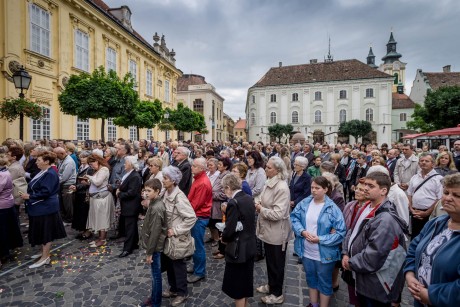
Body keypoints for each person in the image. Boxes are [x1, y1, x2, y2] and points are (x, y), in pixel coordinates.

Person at [342, 172, 408, 306]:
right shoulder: (366, 206)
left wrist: (351, 263)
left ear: (383, 190)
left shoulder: (385, 219)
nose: (365, 188)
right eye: (365, 184)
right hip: (360, 277)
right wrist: (345, 253)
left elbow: (375, 255)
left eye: (371, 186)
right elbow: (352, 231)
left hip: (374, 283)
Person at [404, 172, 460, 307]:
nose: (448, 198)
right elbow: (413, 248)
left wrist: (431, 295)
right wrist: (410, 274)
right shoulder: (436, 223)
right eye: (446, 193)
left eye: (457, 195)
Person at [291, 176, 346, 307]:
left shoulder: (332, 208)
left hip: (324, 254)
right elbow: (294, 217)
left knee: (325, 281)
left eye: (317, 188)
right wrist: (302, 231)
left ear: (326, 189)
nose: (314, 190)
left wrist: (320, 239)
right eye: (312, 187)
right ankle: (313, 303)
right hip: (306, 250)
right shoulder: (305, 202)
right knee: (310, 278)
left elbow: (340, 232)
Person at [255, 156, 292, 304]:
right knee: (270, 262)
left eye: (269, 167)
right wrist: (259, 202)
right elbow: (263, 197)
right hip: (269, 230)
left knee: (276, 264)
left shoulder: (282, 187)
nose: (265, 169)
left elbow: (278, 214)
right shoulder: (270, 181)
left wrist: (260, 208)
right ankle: (271, 285)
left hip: (277, 232)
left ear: (277, 170)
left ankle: (277, 294)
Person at [20, 151, 67, 269]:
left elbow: (46, 191)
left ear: (46, 161)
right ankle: (43, 253)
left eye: (39, 160)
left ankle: (45, 256)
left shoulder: (50, 173)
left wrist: (29, 196)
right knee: (41, 231)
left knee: (46, 232)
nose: (36, 162)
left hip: (45, 208)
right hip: (40, 207)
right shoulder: (44, 171)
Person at [161, 166, 196, 307]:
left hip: (177, 239)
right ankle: (173, 288)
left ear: (174, 181)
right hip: (167, 238)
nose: (163, 180)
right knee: (169, 264)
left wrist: (175, 230)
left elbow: (191, 218)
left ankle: (182, 292)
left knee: (178, 266)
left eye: (166, 178)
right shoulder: (165, 192)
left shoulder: (179, 197)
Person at [221, 173, 256, 307]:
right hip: (250, 245)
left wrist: (224, 238)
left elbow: (229, 229)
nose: (225, 192)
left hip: (238, 249)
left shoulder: (233, 202)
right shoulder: (248, 197)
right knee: (246, 283)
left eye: (225, 189)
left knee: (238, 287)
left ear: (229, 187)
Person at [138, 178, 167, 307]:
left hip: (155, 247)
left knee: (156, 276)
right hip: (154, 246)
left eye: (149, 191)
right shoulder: (154, 203)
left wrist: (149, 253)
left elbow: (155, 233)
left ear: (157, 191)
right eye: (145, 190)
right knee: (155, 275)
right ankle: (154, 298)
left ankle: (156, 303)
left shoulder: (156, 207)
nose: (146, 193)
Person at [186, 157, 212, 283]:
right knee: (195, 245)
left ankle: (200, 272)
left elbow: (195, 204)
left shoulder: (202, 182)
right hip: (196, 216)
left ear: (202, 168)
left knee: (198, 246)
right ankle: (197, 267)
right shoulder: (198, 179)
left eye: (194, 166)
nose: (192, 167)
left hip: (199, 217)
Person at [342, 179, 367, 307]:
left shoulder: (369, 210)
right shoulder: (350, 205)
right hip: (348, 246)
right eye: (357, 188)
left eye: (362, 190)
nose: (357, 191)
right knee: (349, 279)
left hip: (361, 250)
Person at [407, 153, 443, 239]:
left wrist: (426, 213)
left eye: (427, 161)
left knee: (427, 238)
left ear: (433, 164)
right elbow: (409, 194)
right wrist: (411, 209)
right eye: (421, 161)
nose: (423, 162)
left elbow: (439, 198)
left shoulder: (438, 179)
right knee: (415, 237)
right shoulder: (414, 177)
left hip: (429, 215)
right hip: (415, 213)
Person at [85, 154, 114, 248]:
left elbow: (98, 182)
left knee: (102, 219)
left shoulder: (104, 169)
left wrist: (89, 177)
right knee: (98, 218)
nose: (91, 166)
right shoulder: (98, 170)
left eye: (91, 164)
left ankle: (102, 239)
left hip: (102, 198)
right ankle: (100, 238)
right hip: (96, 198)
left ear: (97, 161)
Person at [116, 156, 142, 257]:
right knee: (132, 226)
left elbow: (132, 192)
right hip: (128, 205)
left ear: (131, 164)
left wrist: (119, 194)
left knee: (129, 228)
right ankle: (135, 244)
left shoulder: (135, 176)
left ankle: (127, 249)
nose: (124, 164)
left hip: (131, 205)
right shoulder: (129, 174)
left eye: (126, 163)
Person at [0, 154, 23, 268]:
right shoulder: (5, 172)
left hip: (3, 205)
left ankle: (4, 252)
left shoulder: (3, 174)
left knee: (3, 230)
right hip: (6, 204)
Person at [245, 150, 267, 261]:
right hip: (249, 200)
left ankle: (259, 252)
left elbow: (259, 189)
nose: (248, 160)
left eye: (251, 158)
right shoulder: (249, 171)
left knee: (256, 227)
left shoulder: (260, 171)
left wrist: (245, 194)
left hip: (255, 201)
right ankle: (252, 250)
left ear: (256, 159)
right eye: (247, 158)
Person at [210, 158, 232, 258]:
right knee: (217, 226)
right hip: (215, 205)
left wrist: (211, 194)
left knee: (221, 227)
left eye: (220, 164)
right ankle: (220, 248)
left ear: (225, 166)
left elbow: (224, 194)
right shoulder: (220, 174)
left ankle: (223, 251)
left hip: (221, 205)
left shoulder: (226, 176)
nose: (218, 165)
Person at [70, 151, 94, 240]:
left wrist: (77, 187)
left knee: (85, 212)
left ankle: (88, 231)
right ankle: (82, 229)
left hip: (85, 193)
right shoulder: (81, 167)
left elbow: (88, 182)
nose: (82, 159)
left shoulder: (90, 169)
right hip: (79, 193)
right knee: (79, 212)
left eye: (84, 157)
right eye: (81, 157)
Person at [54, 147, 77, 225]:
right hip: (64, 184)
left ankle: (69, 220)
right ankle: (66, 218)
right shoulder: (63, 159)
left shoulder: (69, 162)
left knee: (68, 204)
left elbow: (64, 177)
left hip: (68, 185)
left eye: (56, 154)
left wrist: (55, 182)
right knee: (64, 203)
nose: (55, 156)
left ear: (62, 153)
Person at [205, 158, 221, 246]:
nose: (209, 167)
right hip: (207, 201)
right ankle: (212, 236)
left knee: (214, 221)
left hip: (215, 202)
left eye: (211, 165)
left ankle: (216, 238)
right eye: (208, 165)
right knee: (209, 221)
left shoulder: (218, 175)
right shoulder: (207, 173)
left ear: (216, 166)